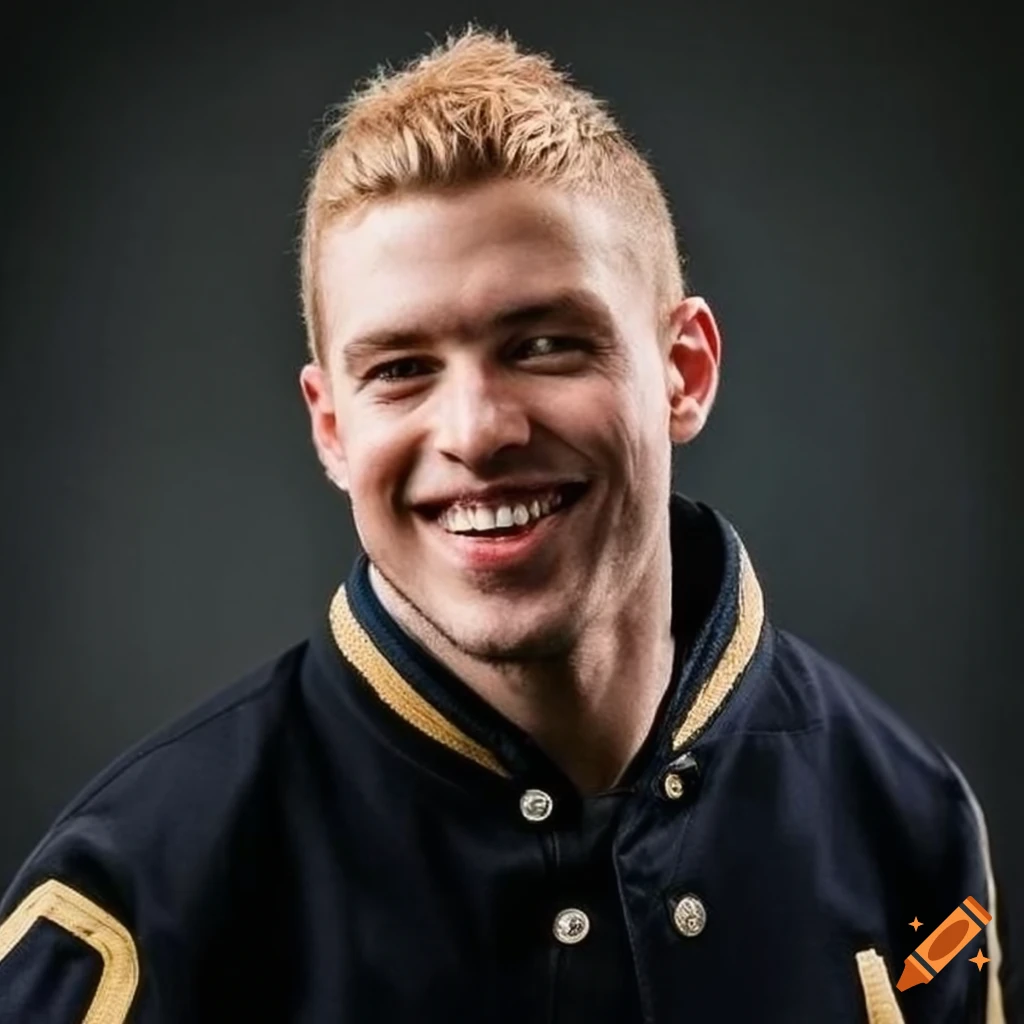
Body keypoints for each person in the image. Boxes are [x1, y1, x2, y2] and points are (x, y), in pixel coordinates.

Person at [0, 25, 1015, 1024]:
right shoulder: (130, 914)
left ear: (684, 370)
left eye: (542, 344)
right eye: (399, 369)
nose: (477, 432)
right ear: (331, 427)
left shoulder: (904, 818)